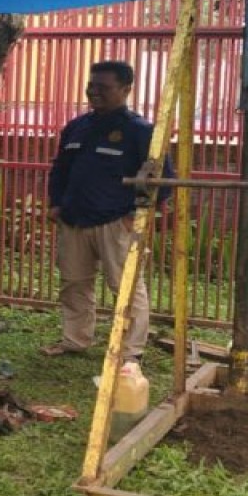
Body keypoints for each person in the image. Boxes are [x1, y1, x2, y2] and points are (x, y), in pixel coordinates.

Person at [43, 60, 169, 363]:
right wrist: (57, 204)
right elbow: (60, 170)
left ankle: (129, 353)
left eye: (104, 87)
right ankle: (75, 340)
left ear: (126, 89)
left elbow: (162, 180)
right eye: (91, 85)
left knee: (125, 287)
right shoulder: (76, 127)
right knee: (74, 283)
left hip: (116, 222)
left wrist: (133, 216)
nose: (94, 91)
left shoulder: (140, 131)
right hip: (74, 219)